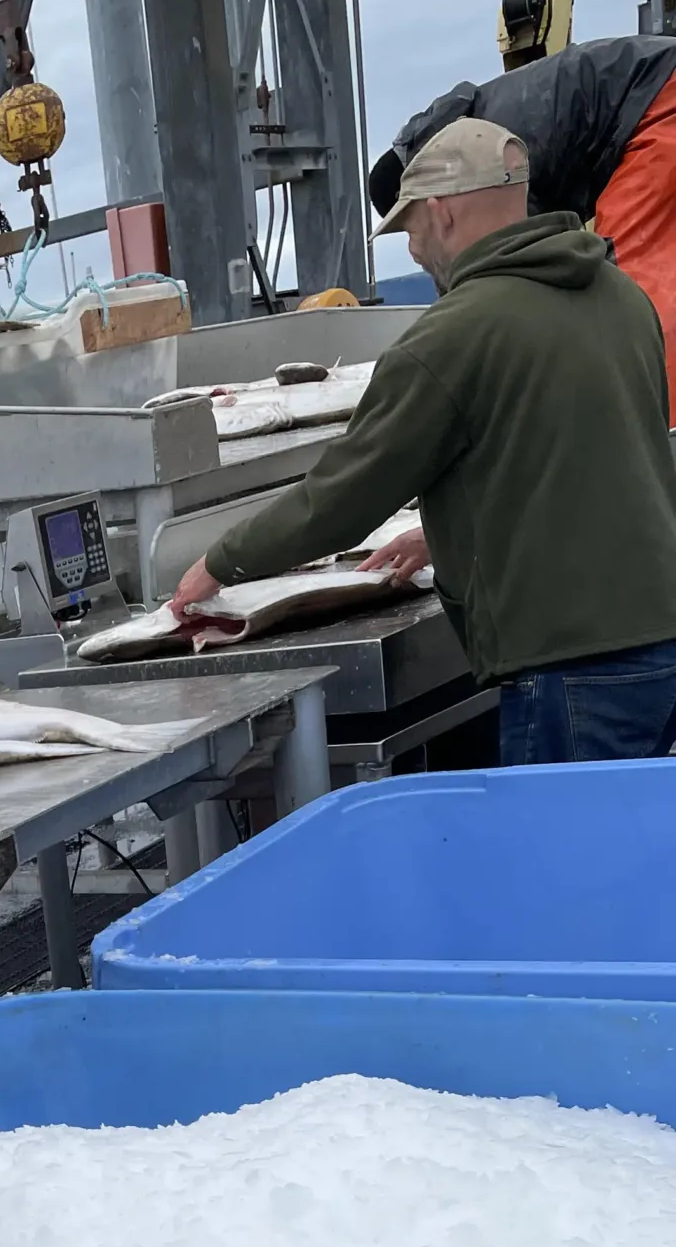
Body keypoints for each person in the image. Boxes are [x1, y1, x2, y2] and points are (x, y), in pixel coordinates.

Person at [171, 119, 676, 764]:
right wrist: (447, 535)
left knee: (561, 861)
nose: (412, 252)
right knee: (635, 858)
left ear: (441, 213)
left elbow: (342, 498)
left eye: (408, 230)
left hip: (571, 669)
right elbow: (590, 458)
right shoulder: (623, 298)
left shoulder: (451, 336)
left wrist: (219, 562)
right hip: (660, 643)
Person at [372, 36, 676, 398]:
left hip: (658, 107)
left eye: (409, 224)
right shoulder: (488, 124)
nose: (412, 246)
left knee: (631, 299)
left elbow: (512, 273)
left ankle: (658, 433)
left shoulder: (485, 156)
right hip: (650, 100)